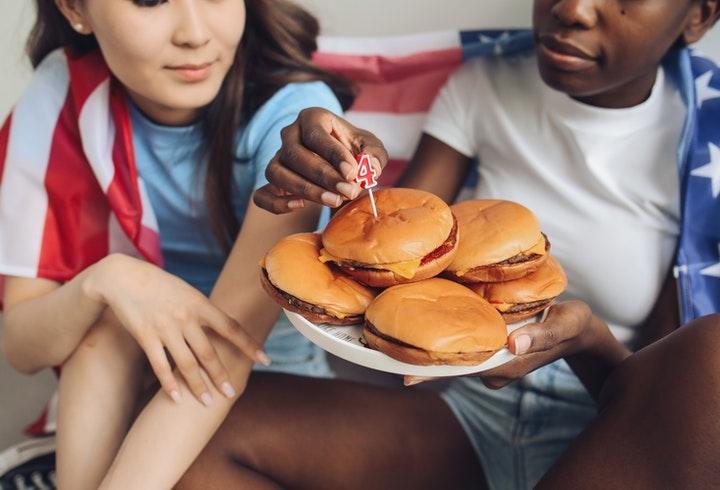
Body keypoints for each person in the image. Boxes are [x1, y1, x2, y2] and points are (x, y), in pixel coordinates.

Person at [175, 0, 720, 489]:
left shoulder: (705, 145)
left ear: (698, 16)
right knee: (199, 438)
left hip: (604, 425)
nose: (573, 10)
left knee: (712, 352)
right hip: (469, 415)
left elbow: (661, 402)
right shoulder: (484, 86)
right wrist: (334, 166)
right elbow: (390, 254)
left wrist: (588, 341)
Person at [0, 0, 353, 488]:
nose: (194, 33)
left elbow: (226, 353)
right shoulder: (64, 95)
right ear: (76, 9)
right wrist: (108, 280)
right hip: (123, 376)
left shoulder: (292, 125)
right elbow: (20, 345)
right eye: (149, 0)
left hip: (263, 385)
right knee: (105, 321)